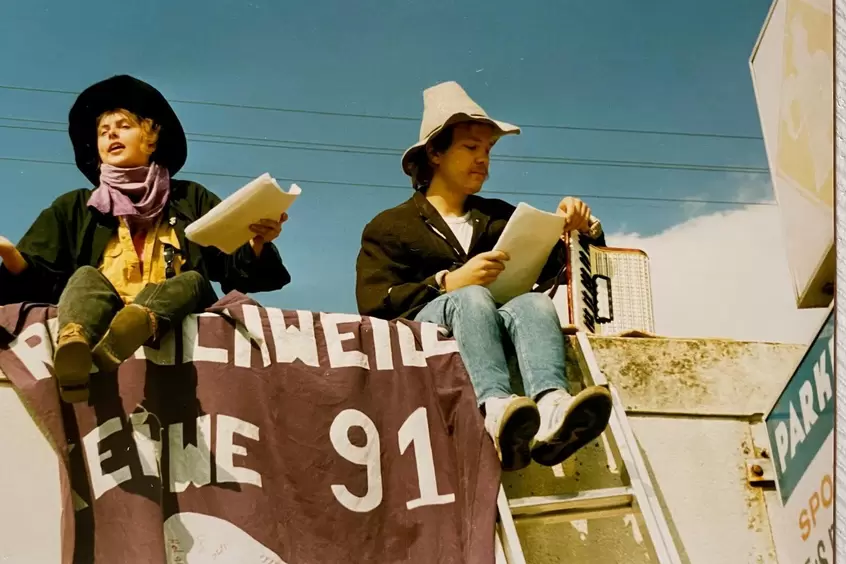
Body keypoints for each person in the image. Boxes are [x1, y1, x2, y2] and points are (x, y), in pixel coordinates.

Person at [355, 82, 613, 472]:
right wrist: (447, 283)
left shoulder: (499, 216)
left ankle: (551, 409)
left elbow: (563, 266)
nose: (483, 161)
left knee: (534, 301)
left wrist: (582, 228)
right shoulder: (389, 226)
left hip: (496, 321)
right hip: (426, 335)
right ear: (436, 153)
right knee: (471, 296)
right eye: (471, 148)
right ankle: (496, 411)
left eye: (488, 151)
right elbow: (373, 302)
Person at [0, 75, 291, 404]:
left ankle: (137, 323)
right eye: (102, 131)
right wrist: (9, 253)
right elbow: (41, 278)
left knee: (192, 280)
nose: (111, 133)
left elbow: (236, 268)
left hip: (176, 325)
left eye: (123, 125)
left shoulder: (190, 198)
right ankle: (74, 347)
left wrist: (256, 242)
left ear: (151, 139)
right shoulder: (74, 207)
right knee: (84, 278)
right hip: (100, 317)